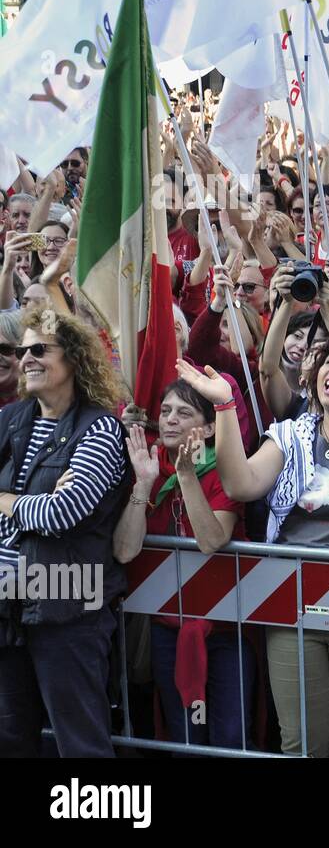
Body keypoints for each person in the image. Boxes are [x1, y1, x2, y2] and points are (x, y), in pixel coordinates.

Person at [178, 333, 329, 758]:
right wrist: (225, 406)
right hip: (293, 601)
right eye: (328, 361)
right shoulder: (290, 433)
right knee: (301, 742)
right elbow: (241, 483)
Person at [0, 309, 130, 757]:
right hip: (8, 605)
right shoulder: (11, 420)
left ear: (73, 358)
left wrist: (7, 502)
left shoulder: (100, 428)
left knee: (81, 745)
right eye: (23, 351)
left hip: (69, 609)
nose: (27, 359)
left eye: (40, 349)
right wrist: (33, 506)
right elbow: (49, 509)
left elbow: (63, 512)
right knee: (11, 740)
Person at [113, 379, 251, 750]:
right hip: (167, 631)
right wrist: (142, 485)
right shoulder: (148, 464)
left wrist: (186, 475)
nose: (170, 420)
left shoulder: (227, 471)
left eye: (184, 412)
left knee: (228, 736)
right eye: (166, 411)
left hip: (225, 633)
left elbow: (211, 540)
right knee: (185, 735)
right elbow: (125, 551)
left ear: (208, 428)